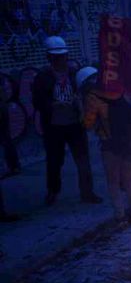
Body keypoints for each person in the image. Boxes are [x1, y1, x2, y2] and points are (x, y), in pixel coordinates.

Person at [32, 36, 101, 205]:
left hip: (75, 124)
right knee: (55, 160)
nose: (60, 60)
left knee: (82, 159)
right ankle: (53, 191)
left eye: (62, 56)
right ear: (49, 57)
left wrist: (79, 103)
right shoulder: (42, 77)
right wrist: (54, 105)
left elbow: (86, 90)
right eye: (56, 57)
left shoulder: (74, 72)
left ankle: (87, 192)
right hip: (54, 125)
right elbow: (38, 101)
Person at [79, 67, 131, 223]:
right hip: (127, 141)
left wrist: (81, 112)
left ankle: (119, 214)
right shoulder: (118, 91)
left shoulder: (92, 97)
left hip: (109, 144)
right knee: (129, 179)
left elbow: (88, 124)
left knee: (113, 181)